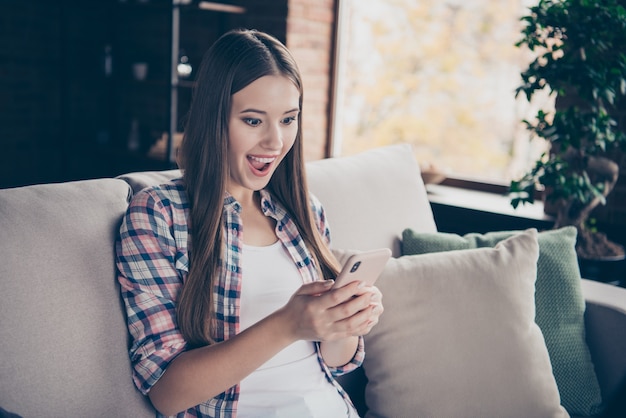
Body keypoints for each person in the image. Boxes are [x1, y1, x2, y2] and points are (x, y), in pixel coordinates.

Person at [116, 28, 384, 417]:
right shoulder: (158, 216)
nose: (275, 142)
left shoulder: (304, 212)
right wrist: (288, 324)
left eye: (288, 119)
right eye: (254, 121)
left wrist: (346, 319)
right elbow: (167, 393)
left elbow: (336, 362)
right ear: (214, 118)